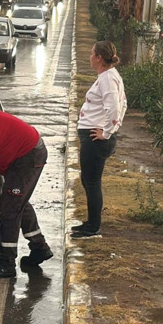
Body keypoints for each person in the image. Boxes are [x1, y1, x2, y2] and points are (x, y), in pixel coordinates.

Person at [0, 110, 53, 279]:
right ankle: (39, 248)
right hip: (26, 151)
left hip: (26, 155)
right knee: (18, 202)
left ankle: (7, 263)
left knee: (10, 209)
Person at [71, 41, 128, 239]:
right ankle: (90, 222)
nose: (89, 56)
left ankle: (93, 227)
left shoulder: (107, 79)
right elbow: (124, 103)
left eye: (91, 53)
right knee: (88, 180)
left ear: (98, 58)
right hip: (94, 135)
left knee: (92, 181)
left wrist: (107, 131)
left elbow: (114, 106)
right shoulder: (108, 76)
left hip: (95, 139)